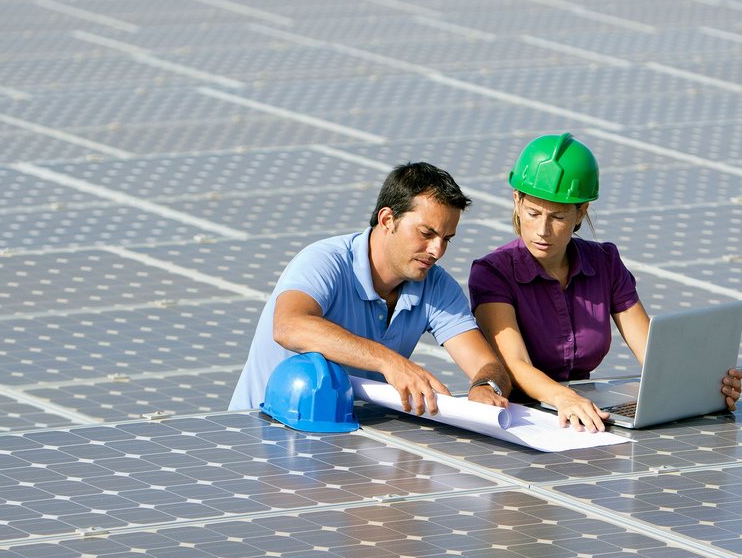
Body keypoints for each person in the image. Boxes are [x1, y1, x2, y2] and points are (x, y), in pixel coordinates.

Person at [468, 132, 742, 433]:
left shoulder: (604, 262)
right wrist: (565, 398)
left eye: (558, 217)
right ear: (517, 201)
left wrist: (700, 388)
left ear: (580, 212)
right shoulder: (493, 272)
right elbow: (514, 364)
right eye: (533, 213)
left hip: (584, 416)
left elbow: (651, 351)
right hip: (520, 421)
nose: (542, 230)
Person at [229, 161, 512, 416]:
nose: (437, 250)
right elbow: (289, 326)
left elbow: (487, 365)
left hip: (340, 433)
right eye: (426, 233)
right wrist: (390, 362)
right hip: (261, 428)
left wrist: (486, 387)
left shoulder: (436, 285)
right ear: (387, 219)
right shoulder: (324, 261)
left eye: (446, 239)